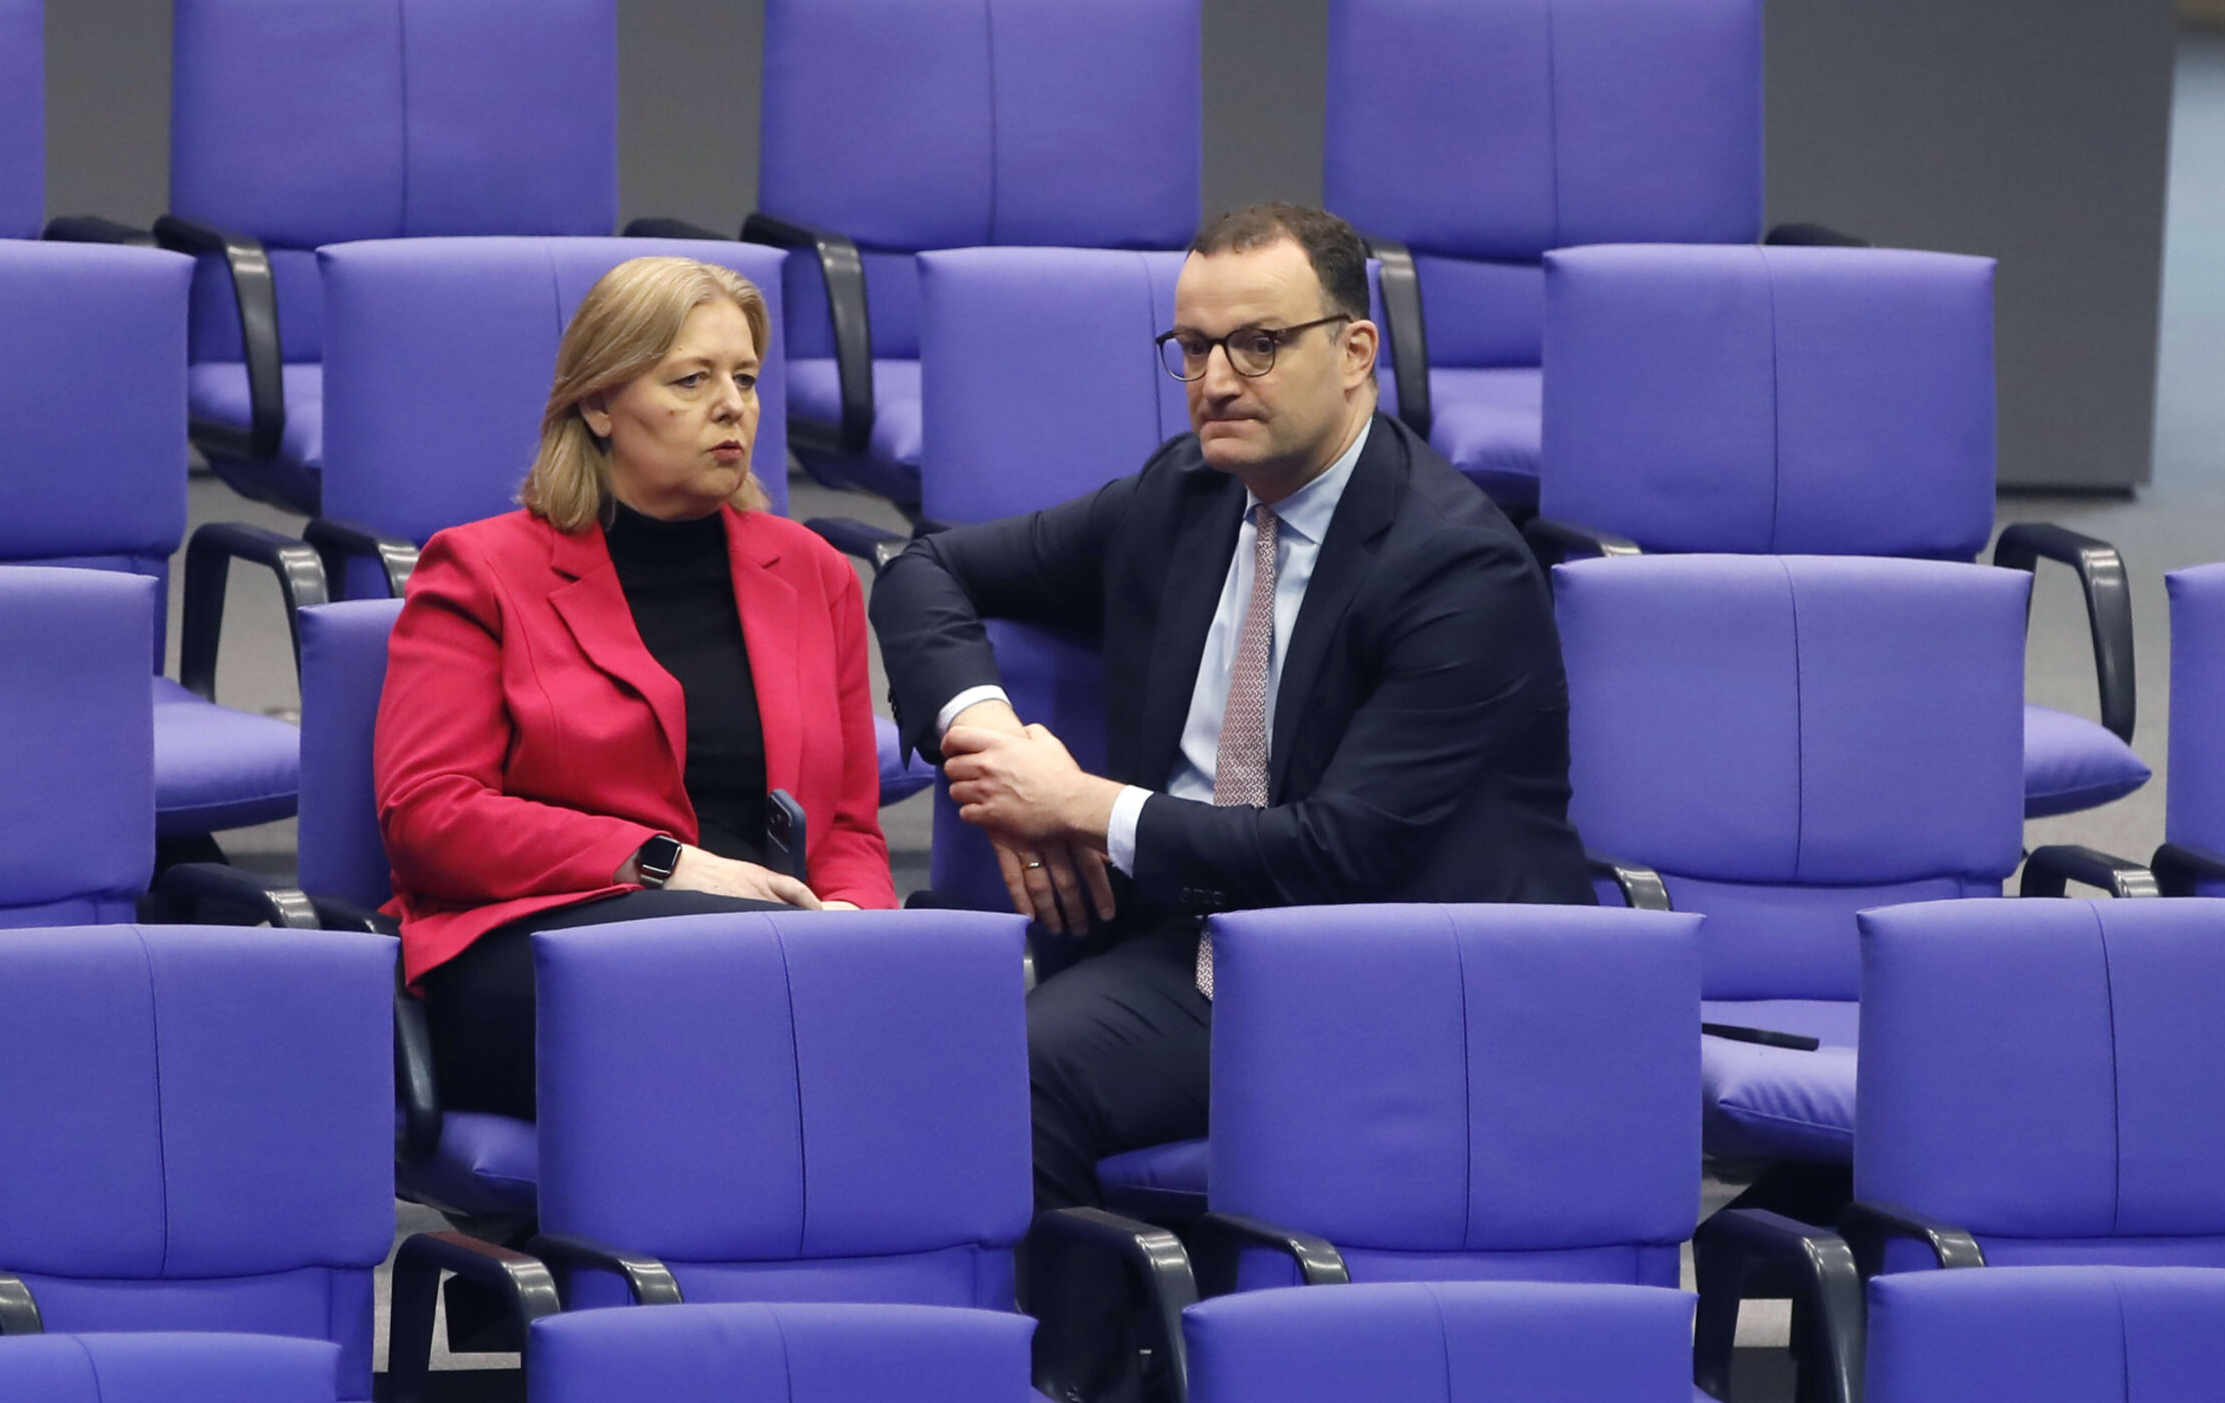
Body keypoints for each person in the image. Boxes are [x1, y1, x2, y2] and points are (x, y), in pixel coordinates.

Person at [870, 202, 1590, 1212]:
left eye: (1257, 345)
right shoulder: (1187, 496)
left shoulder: (1454, 567)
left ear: (1353, 351)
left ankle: (1086, 1367)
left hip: (1389, 969)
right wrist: (984, 731)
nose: (1213, 381)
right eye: (1194, 346)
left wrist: (1080, 805)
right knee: (921, 1045)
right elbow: (927, 567)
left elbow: (1337, 849)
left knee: (1014, 1072)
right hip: (1191, 941)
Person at [375, 255, 897, 1121]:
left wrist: (853, 919)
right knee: (742, 1002)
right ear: (598, 404)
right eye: (691, 379)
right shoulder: (479, 571)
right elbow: (430, 817)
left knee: (938, 991)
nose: (732, 405)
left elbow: (845, 825)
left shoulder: (814, 576)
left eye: (746, 378)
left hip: (770, 949)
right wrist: (666, 865)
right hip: (538, 940)